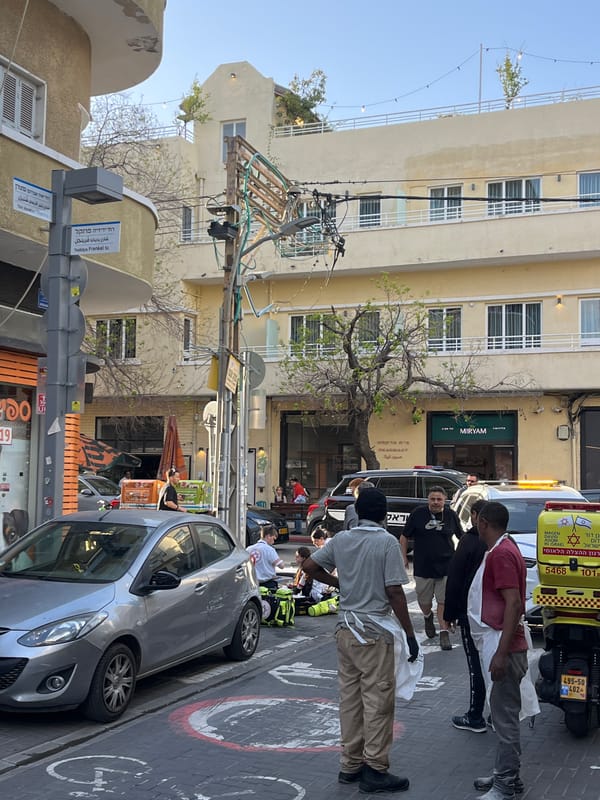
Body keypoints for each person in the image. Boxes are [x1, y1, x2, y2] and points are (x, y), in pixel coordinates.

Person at [303, 487, 419, 794]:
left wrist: (340, 583)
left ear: (357, 511)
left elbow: (309, 567)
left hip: (345, 629)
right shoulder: (386, 543)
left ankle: (350, 765)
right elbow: (395, 592)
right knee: (378, 701)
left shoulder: (342, 539)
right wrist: (410, 633)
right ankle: (375, 769)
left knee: (350, 700)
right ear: (383, 514)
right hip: (374, 633)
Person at [468, 501, 528, 800]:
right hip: (501, 643)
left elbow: (514, 603)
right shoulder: (503, 549)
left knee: (504, 719)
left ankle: (506, 784)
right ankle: (506, 775)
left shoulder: (501, 553)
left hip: (503, 646)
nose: (475, 524)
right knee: (503, 716)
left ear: (484, 523)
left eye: (477, 520)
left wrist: (501, 653)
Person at [444, 499, 488, 732]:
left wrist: (449, 614)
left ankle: (475, 715)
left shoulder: (469, 542)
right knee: (492, 664)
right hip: (495, 615)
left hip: (471, 613)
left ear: (475, 516)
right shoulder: (504, 544)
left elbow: (456, 579)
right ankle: (496, 713)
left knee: (476, 666)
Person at [401, 485, 462, 651]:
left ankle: (443, 632)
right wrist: (404, 556)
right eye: (433, 499)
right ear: (428, 500)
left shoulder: (450, 515)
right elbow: (404, 536)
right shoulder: (418, 514)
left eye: (439, 499)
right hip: (423, 565)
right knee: (425, 601)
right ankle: (428, 617)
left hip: (446, 564)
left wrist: (462, 558)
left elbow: (461, 536)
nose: (436, 502)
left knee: (443, 600)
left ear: (444, 500)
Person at [247, 525, 284, 590]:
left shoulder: (249, 549)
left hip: (252, 584)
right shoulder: (269, 549)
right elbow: (281, 566)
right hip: (267, 584)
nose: (273, 542)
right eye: (273, 538)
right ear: (268, 536)